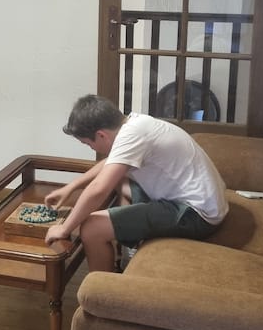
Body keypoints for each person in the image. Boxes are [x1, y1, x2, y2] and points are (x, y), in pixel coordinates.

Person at [44, 94, 228, 271]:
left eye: (88, 144)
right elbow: (109, 163)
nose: (91, 148)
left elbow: (98, 189)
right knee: (120, 178)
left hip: (196, 214)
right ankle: (129, 246)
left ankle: (101, 291)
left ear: (101, 135)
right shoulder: (135, 123)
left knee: (92, 228)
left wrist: (65, 228)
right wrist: (71, 187)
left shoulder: (132, 136)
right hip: (202, 201)